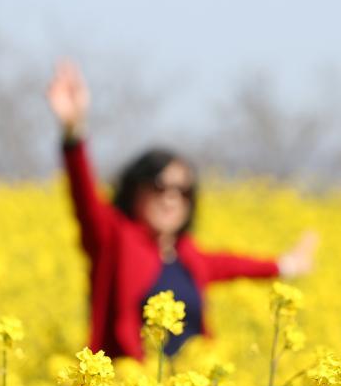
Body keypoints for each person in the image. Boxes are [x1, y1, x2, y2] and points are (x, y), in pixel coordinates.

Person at [46, 60, 318, 360]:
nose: (171, 199)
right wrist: (74, 130)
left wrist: (284, 265)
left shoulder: (187, 256)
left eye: (183, 191)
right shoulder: (114, 239)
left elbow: (231, 265)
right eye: (160, 187)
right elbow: (83, 198)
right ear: (136, 190)